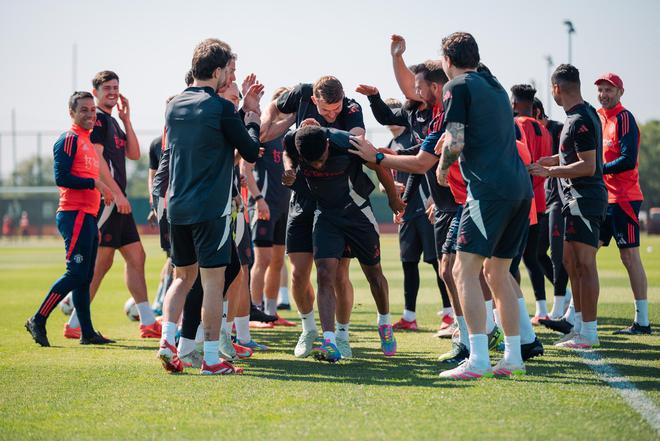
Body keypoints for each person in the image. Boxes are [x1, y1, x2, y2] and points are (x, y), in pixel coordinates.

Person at [156, 38, 261, 375]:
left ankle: (167, 341)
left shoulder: (174, 105)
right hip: (210, 209)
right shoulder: (220, 107)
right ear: (216, 71)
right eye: (227, 70)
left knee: (182, 277)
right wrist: (253, 116)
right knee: (213, 283)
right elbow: (250, 150)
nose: (229, 76)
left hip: (178, 207)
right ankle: (212, 360)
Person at [287, 126, 399, 362]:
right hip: (326, 216)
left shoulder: (348, 143)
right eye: (312, 163)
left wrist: (393, 198)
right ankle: (329, 341)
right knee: (324, 274)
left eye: (321, 160)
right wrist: (288, 168)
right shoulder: (293, 142)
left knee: (374, 274)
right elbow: (287, 150)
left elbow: (379, 165)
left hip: (358, 214)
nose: (318, 166)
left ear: (328, 145)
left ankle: (385, 323)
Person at [64, 70, 161, 340]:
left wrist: (127, 120)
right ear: (95, 92)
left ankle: (147, 321)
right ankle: (75, 323)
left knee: (136, 257)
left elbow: (134, 154)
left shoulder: (113, 122)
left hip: (119, 201)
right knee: (101, 263)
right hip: (108, 201)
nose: (113, 92)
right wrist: (117, 194)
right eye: (107, 87)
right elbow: (96, 161)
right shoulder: (98, 121)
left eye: (116, 87)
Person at [356, 65, 454, 332]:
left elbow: (420, 168)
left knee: (441, 263)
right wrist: (397, 197)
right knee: (410, 261)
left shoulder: (426, 125)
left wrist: (417, 198)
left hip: (433, 205)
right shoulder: (398, 139)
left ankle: (452, 315)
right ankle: (410, 316)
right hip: (412, 209)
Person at [25, 91, 115, 347]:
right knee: (75, 273)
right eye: (84, 110)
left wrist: (94, 221)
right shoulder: (69, 139)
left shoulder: (88, 141)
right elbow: (61, 177)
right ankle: (38, 319)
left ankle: (87, 333)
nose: (90, 114)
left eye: (92, 110)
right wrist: (95, 183)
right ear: (72, 113)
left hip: (87, 217)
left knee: (85, 277)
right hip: (73, 214)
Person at [529, 64, 608, 349]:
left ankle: (589, 332)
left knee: (585, 264)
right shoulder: (577, 116)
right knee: (570, 263)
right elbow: (574, 156)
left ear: (557, 88)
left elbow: (588, 166)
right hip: (572, 201)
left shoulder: (581, 118)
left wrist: (550, 172)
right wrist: (552, 160)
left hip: (585, 199)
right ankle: (578, 326)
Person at [594, 73, 651, 335]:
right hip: (603, 198)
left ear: (620, 92)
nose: (604, 94)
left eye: (609, 90)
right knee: (585, 255)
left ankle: (642, 322)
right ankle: (574, 316)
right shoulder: (597, 116)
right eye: (601, 90)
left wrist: (597, 169)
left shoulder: (625, 118)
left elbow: (628, 160)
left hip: (624, 198)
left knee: (629, 257)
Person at [242, 87, 295, 325]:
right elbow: (245, 169)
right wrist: (258, 199)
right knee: (261, 260)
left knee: (277, 261)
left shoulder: (289, 136)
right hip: (263, 206)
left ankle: (271, 312)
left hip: (283, 206)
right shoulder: (263, 133)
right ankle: (254, 311)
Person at [511, 84, 553, 323]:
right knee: (532, 257)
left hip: (522, 200)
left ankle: (514, 310)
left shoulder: (518, 125)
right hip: (540, 200)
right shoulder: (544, 129)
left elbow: (522, 162)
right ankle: (542, 309)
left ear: (515, 103)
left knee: (511, 261)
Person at [533, 98, 572, 320]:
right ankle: (565, 295)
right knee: (537, 253)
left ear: (538, 113)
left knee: (558, 254)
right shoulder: (529, 131)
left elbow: (569, 159)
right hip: (545, 200)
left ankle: (558, 306)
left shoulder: (559, 130)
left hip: (562, 199)